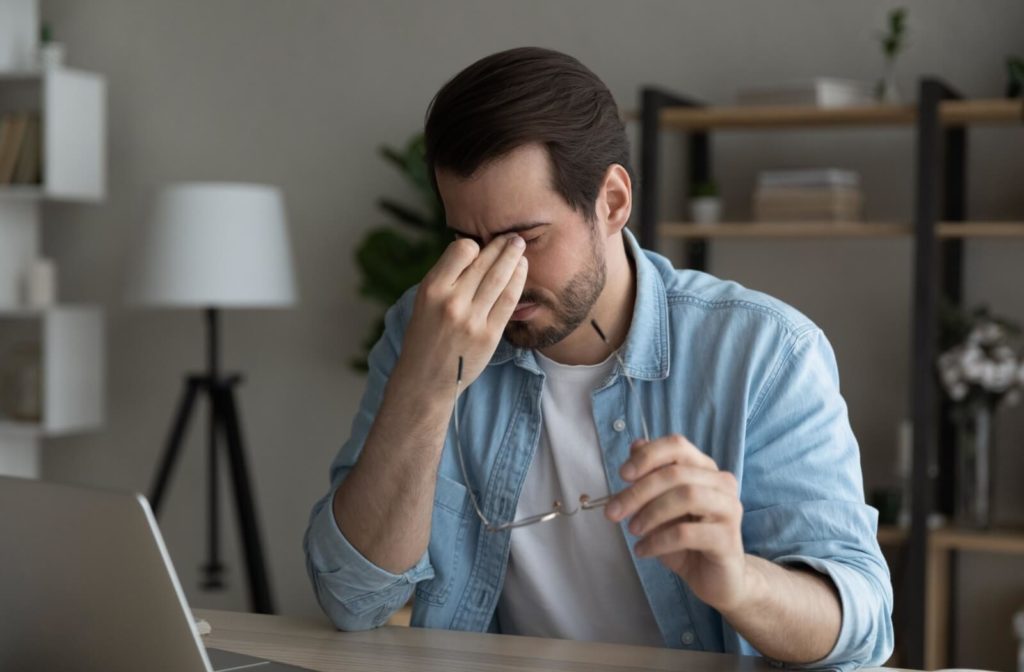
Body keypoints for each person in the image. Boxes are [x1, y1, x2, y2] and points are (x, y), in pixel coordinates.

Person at [304, 46, 893, 669]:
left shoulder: (764, 352)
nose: (497, 274)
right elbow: (352, 600)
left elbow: (860, 625)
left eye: (526, 239)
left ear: (611, 202)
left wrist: (739, 582)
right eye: (468, 241)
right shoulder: (428, 327)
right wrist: (425, 390)